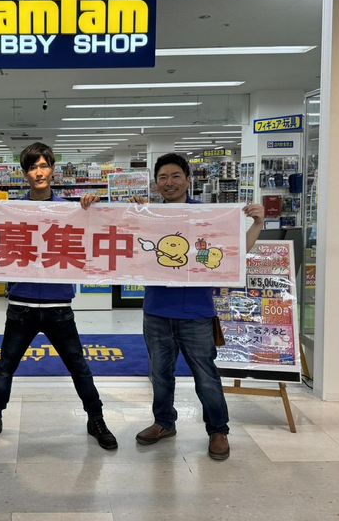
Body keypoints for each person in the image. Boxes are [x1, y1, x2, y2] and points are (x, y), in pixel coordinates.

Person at [0, 142, 118, 451]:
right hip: (22, 305)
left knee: (79, 367)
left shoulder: (73, 209)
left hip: (59, 305)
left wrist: (95, 206)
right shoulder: (11, 209)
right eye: (32, 167)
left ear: (53, 170)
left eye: (44, 166)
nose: (39, 172)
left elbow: (104, 230)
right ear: (25, 174)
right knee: (5, 367)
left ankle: (96, 419)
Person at [130, 152, 264, 461]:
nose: (169, 182)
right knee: (160, 374)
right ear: (156, 183)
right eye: (163, 177)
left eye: (176, 176)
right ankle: (164, 423)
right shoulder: (149, 216)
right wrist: (125, 213)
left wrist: (258, 223)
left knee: (206, 376)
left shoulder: (208, 217)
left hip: (197, 312)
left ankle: (218, 430)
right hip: (156, 310)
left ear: (188, 180)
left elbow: (234, 254)